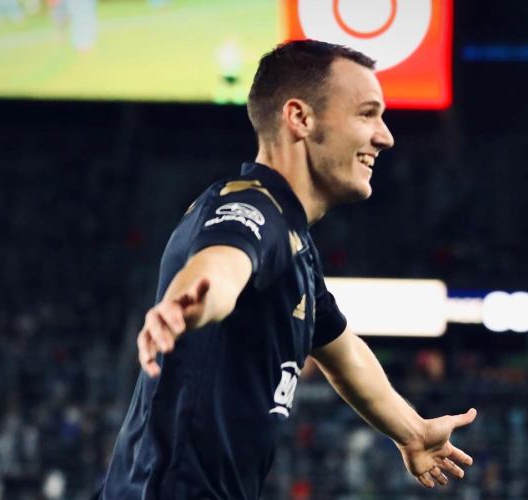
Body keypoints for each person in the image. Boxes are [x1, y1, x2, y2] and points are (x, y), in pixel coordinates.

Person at [96, 39, 477, 500]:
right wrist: (189, 300)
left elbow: (345, 356)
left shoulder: (296, 246)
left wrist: (412, 432)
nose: (385, 136)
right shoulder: (254, 207)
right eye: (367, 114)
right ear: (300, 118)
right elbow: (223, 263)